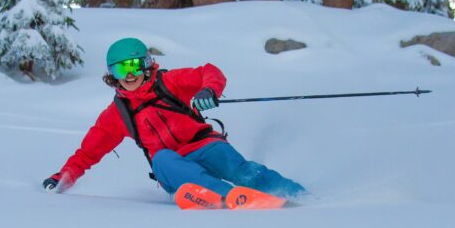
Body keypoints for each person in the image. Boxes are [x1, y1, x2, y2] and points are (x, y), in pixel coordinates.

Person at [42, 37, 307, 209]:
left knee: (241, 171)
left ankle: (295, 195)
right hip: (173, 169)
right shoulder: (117, 113)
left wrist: (209, 90)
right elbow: (89, 152)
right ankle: (226, 196)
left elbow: (208, 72)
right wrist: (62, 177)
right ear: (112, 75)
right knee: (162, 160)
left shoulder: (168, 82)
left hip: (204, 145)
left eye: (134, 65)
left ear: (146, 64)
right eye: (121, 70)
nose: (130, 74)